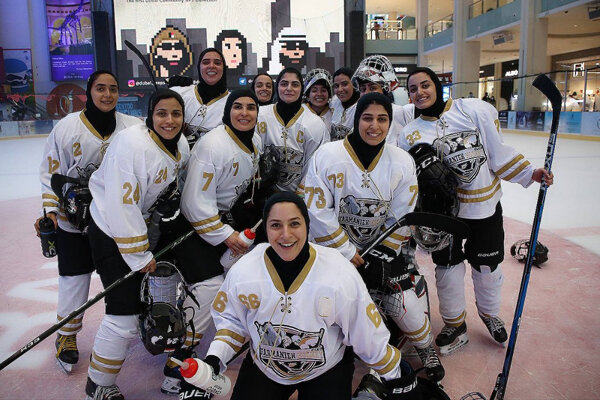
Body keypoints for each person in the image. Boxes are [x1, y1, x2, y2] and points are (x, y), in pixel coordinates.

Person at [397, 67, 554, 356]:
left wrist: (529, 173)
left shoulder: (473, 111)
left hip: (484, 207)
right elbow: (409, 179)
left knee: (487, 267)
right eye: (413, 89)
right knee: (447, 269)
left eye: (425, 85)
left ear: (438, 86)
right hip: (444, 216)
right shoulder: (409, 133)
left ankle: (490, 314)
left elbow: (497, 153)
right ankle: (455, 325)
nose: (420, 92)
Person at [196, 192, 404, 400]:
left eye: (294, 224)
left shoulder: (339, 272)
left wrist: (395, 375)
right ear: (266, 229)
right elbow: (232, 323)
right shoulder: (244, 271)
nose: (286, 234)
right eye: (276, 225)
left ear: (307, 225)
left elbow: (365, 332)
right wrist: (215, 358)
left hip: (326, 368)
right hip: (265, 366)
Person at [303, 92, 444, 382]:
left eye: (382, 119)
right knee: (324, 305)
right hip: (333, 253)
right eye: (367, 118)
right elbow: (317, 210)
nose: (374, 126)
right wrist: (346, 252)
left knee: (405, 303)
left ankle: (424, 345)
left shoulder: (402, 161)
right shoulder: (327, 155)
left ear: (390, 123)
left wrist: (378, 257)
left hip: (381, 251)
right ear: (357, 120)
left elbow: (401, 217)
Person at [154, 89, 263, 397]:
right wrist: (226, 235)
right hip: (188, 225)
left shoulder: (254, 141)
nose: (244, 113)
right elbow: (193, 204)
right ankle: (178, 358)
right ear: (227, 111)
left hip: (219, 222)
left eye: (251, 107)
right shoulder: (213, 145)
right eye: (237, 107)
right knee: (211, 284)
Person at [83, 89, 190, 399]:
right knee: (123, 314)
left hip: (139, 228)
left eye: (176, 114)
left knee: (140, 305)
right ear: (149, 116)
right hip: (110, 227)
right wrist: (138, 254)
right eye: (161, 113)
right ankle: (98, 384)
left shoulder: (181, 144)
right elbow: (121, 204)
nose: (169, 121)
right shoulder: (131, 144)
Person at [34, 70, 141, 374]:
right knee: (74, 279)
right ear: (89, 92)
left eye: (113, 89)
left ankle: (133, 319)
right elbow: (51, 173)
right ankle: (67, 335)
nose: (107, 95)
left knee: (123, 277)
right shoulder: (67, 128)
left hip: (114, 222)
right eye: (100, 88)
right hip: (74, 220)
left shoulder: (133, 127)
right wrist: (51, 211)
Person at [256, 67, 329, 194]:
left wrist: (299, 197)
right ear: (277, 87)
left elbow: (316, 164)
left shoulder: (315, 124)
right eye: (284, 84)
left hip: (299, 196)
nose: (289, 88)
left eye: (295, 84)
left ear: (302, 89)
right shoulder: (261, 115)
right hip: (263, 194)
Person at [170, 48, 230, 146]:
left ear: (224, 68)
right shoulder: (179, 94)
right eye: (206, 62)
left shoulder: (234, 104)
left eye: (217, 63)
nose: (211, 66)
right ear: (199, 67)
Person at [351, 55, 415, 145]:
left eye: (372, 88)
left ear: (386, 89)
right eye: (363, 89)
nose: (366, 93)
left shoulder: (403, 114)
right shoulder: (358, 117)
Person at [330, 67, 360, 141]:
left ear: (354, 84)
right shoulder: (334, 101)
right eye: (336, 86)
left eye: (344, 84)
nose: (340, 89)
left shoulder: (362, 106)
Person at [303, 68, 334, 132]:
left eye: (323, 90)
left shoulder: (335, 113)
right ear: (308, 96)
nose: (319, 94)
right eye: (314, 91)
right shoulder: (300, 114)